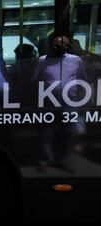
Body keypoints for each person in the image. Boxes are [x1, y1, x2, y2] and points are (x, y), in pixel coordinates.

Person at [34, 34, 88, 173]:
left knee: (68, 132)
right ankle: (46, 159)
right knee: (47, 132)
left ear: (68, 46)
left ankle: (64, 161)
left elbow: (82, 79)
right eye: (56, 44)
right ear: (51, 45)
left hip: (70, 102)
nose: (60, 47)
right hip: (48, 101)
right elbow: (36, 78)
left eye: (64, 44)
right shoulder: (42, 60)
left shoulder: (76, 61)